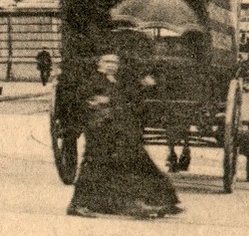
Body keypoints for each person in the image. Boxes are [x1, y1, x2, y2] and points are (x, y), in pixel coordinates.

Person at [66, 51, 181, 219]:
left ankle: (160, 200)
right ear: (99, 64)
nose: (111, 64)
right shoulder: (93, 81)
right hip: (100, 130)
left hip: (117, 131)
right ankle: (77, 205)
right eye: (107, 61)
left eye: (114, 62)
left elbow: (129, 99)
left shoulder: (115, 82)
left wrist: (143, 85)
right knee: (93, 166)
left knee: (135, 161)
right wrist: (97, 102)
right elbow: (83, 100)